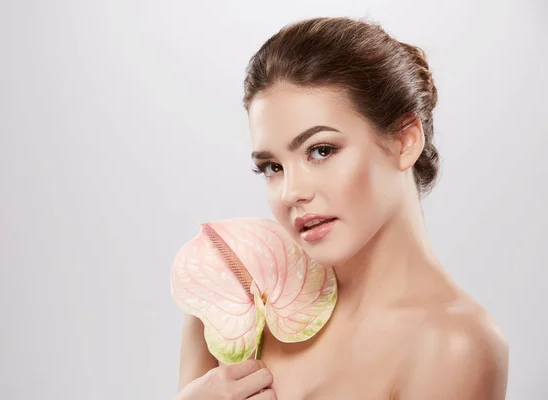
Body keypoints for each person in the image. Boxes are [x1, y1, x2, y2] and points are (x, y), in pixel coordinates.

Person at [174, 16, 509, 400]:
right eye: (272, 167)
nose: (290, 192)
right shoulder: (237, 297)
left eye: (321, 150)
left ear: (405, 141)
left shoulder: (452, 345)